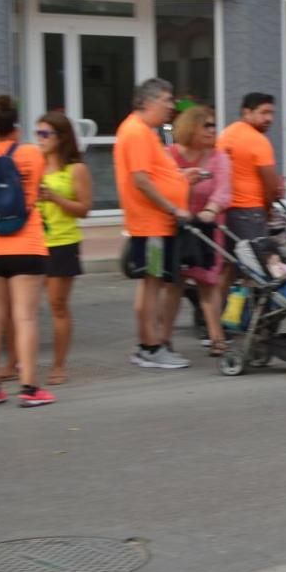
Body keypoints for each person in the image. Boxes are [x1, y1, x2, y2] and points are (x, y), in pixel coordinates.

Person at [0, 95, 55, 407]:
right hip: (27, 245)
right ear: (14, 124)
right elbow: (40, 186)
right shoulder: (32, 153)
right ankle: (30, 389)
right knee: (25, 319)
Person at [114, 78, 192, 369]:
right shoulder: (135, 132)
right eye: (167, 100)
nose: (172, 106)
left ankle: (149, 345)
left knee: (151, 284)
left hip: (156, 224)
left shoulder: (143, 131)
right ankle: (150, 347)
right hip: (152, 226)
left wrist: (183, 180)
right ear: (148, 102)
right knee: (152, 285)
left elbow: (154, 176)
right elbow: (141, 180)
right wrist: (172, 207)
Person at [168, 105, 232, 357]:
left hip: (207, 226)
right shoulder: (169, 155)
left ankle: (216, 337)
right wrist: (184, 182)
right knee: (174, 284)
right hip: (178, 226)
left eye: (214, 125)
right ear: (190, 127)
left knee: (209, 284)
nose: (212, 130)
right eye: (206, 125)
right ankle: (163, 339)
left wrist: (211, 210)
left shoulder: (219, 157)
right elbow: (163, 186)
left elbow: (224, 190)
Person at [35, 112, 93, 385]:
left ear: (60, 138)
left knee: (57, 304)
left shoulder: (75, 169)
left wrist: (55, 198)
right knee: (23, 307)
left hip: (62, 242)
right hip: (33, 242)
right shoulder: (34, 165)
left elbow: (84, 209)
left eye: (45, 134)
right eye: (38, 134)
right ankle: (15, 362)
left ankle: (59, 365)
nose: (40, 140)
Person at [217, 92, 277, 256]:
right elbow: (271, 184)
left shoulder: (226, 135)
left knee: (231, 264)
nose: (269, 118)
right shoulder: (258, 140)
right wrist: (270, 207)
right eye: (264, 112)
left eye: (271, 113)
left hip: (226, 211)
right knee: (257, 266)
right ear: (246, 112)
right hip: (251, 211)